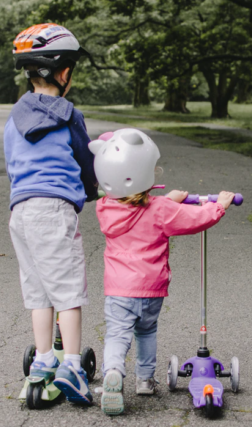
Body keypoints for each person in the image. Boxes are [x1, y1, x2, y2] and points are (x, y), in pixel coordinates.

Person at [88, 128, 235, 415]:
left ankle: (113, 373)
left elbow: (136, 207)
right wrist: (219, 206)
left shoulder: (105, 208)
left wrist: (168, 199)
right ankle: (144, 380)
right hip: (151, 289)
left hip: (119, 289)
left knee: (118, 334)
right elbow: (194, 219)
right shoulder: (160, 210)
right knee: (147, 331)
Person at [4, 23, 98, 405]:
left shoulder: (14, 117)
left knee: (38, 291)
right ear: (63, 74)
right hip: (53, 210)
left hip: (21, 211)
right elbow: (86, 159)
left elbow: (12, 163)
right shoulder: (68, 114)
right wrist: (93, 191)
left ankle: (43, 361)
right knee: (68, 291)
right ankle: (73, 366)